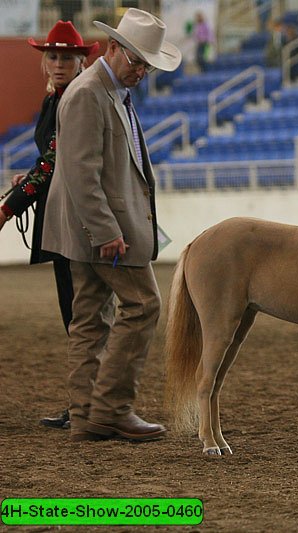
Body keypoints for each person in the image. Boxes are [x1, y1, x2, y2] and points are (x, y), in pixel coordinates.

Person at [41, 8, 181, 443]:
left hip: (90, 230)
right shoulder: (89, 93)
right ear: (113, 48)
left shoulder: (106, 89)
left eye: (147, 64)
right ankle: (112, 408)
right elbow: (82, 172)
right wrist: (105, 231)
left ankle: (86, 416)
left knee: (89, 321)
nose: (141, 70)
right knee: (143, 306)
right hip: (103, 233)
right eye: (136, 60)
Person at [0, 21, 99, 431]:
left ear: (80, 61)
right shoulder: (55, 101)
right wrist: (27, 181)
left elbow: (54, 162)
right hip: (62, 217)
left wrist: (9, 207)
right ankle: (85, 402)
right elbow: (50, 161)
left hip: (74, 222)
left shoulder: (72, 99)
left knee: (82, 315)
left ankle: (91, 405)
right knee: (75, 315)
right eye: (53, 56)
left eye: (66, 57)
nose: (58, 63)